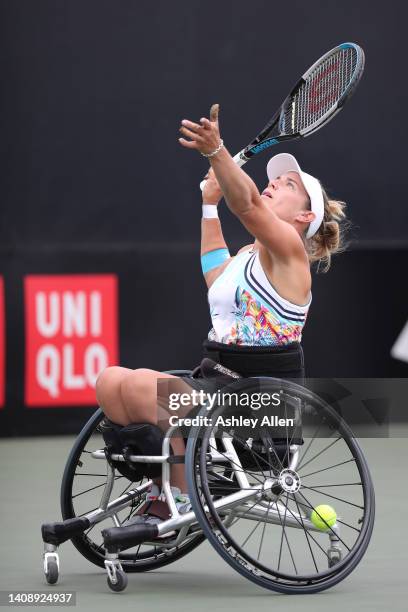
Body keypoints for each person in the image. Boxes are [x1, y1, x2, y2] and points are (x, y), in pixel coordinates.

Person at [95, 104, 347, 524]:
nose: (272, 186)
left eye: (285, 185)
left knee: (143, 387)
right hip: (216, 386)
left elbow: (247, 203)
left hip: (258, 411)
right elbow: (215, 272)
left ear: (304, 216)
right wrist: (209, 204)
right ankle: (164, 486)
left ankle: (181, 496)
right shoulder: (249, 255)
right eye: (273, 180)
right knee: (111, 381)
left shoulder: (290, 251)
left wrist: (218, 152)